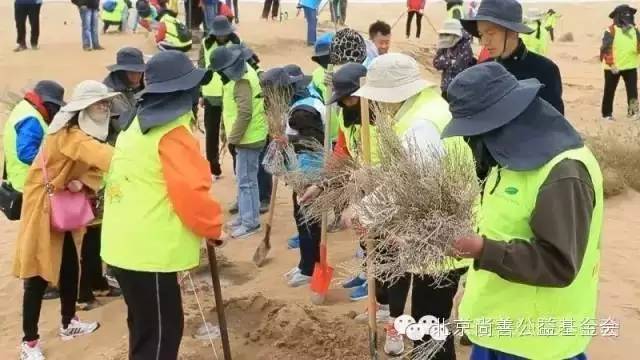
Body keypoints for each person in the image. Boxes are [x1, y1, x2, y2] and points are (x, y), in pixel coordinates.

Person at [304, 54, 468, 358]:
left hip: (442, 235)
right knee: (429, 317)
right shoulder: (428, 107)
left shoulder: (420, 123)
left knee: (429, 325)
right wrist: (373, 175)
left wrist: (365, 209)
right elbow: (417, 167)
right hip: (442, 229)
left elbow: (412, 179)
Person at [445, 62, 603, 360]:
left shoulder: (564, 172)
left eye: (477, 131)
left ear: (504, 121)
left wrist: (482, 249)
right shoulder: (507, 159)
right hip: (496, 330)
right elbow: (498, 225)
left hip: (538, 344)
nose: (473, 141)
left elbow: (558, 263)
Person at [101, 51, 223, 360]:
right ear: (182, 92)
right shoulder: (172, 134)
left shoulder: (132, 124)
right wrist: (212, 228)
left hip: (122, 246)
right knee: (161, 334)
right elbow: (191, 194)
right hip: (148, 253)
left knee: (144, 329)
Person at [14, 80, 120, 360]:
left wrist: (80, 181)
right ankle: (29, 342)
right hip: (41, 206)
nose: (105, 108)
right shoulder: (69, 135)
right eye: (100, 104)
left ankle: (68, 322)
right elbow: (104, 157)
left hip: (60, 205)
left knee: (70, 266)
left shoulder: (78, 134)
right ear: (84, 109)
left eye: (106, 103)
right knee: (37, 273)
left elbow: (91, 165)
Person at [262, 65, 324, 287]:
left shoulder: (303, 112)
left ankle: (310, 269)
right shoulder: (302, 101)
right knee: (301, 218)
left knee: (309, 222)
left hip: (310, 173)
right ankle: (304, 264)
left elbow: (314, 143)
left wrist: (289, 141)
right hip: (301, 170)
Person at [461, 0, 565, 115]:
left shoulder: (544, 70)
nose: (484, 42)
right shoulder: (483, 68)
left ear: (512, 31)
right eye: (481, 35)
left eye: (491, 33)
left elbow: (555, 125)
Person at [212, 46, 268, 238]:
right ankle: (246, 215)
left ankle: (250, 222)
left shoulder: (242, 82)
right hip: (248, 136)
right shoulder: (244, 72)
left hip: (248, 138)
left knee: (246, 181)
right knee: (246, 180)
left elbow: (244, 114)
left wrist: (233, 139)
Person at [199, 15, 241, 180]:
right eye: (219, 33)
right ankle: (213, 166)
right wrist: (201, 93)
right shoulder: (205, 44)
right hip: (211, 94)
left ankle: (237, 166)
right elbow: (201, 68)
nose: (222, 36)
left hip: (231, 93)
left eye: (224, 33)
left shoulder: (236, 43)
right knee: (211, 132)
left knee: (232, 131)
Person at [600, 4, 640, 121]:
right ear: (617, 16)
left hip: (630, 66)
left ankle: (633, 113)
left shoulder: (635, 30)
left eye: (629, 14)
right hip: (613, 67)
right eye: (624, 14)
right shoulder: (611, 30)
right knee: (609, 91)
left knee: (632, 91)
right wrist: (611, 63)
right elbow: (606, 48)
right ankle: (606, 114)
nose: (627, 16)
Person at [433, 19, 476, 101]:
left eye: (448, 34)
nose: (445, 37)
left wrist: (445, 61)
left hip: (460, 90)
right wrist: (450, 62)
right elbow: (436, 63)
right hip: (445, 87)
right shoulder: (444, 45)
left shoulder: (465, 47)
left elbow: (458, 65)